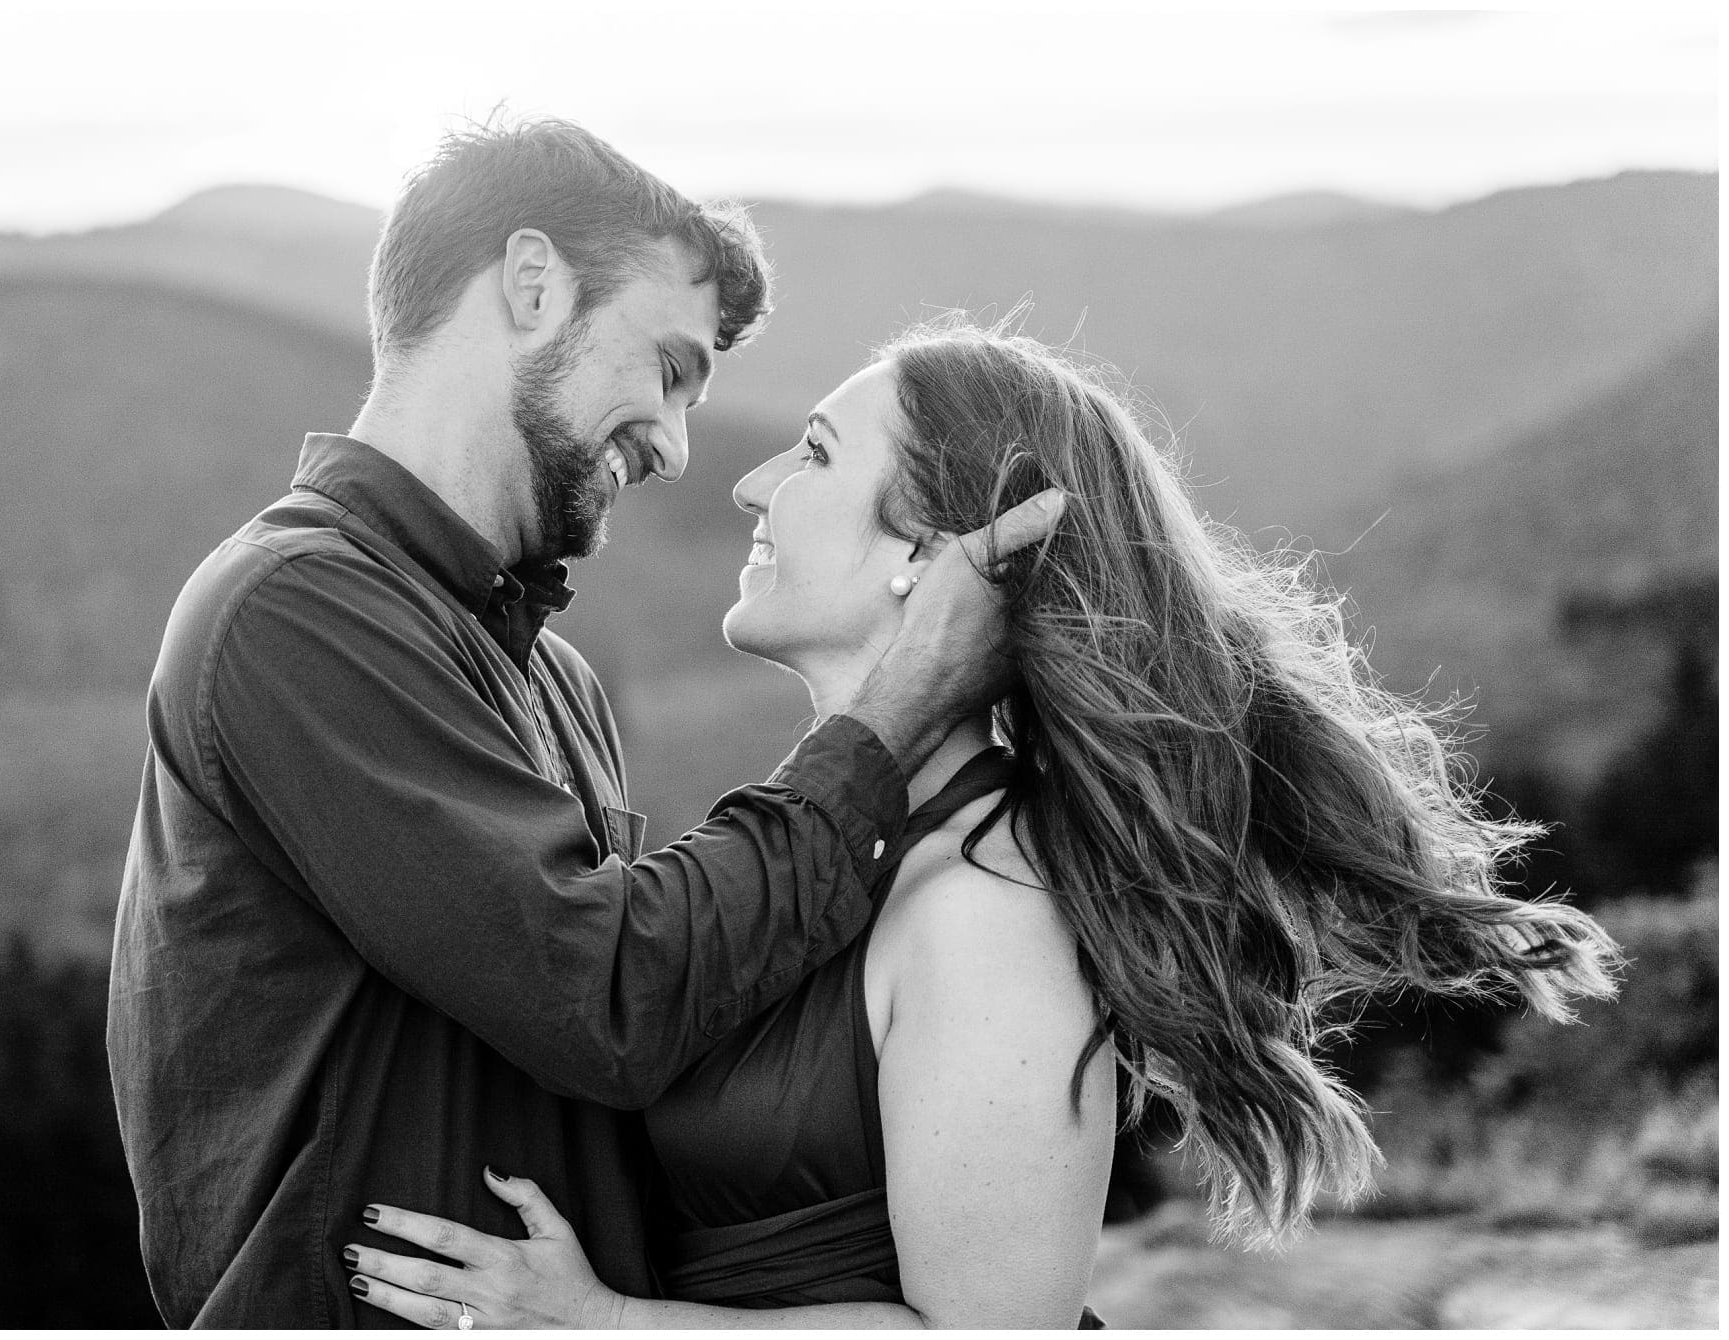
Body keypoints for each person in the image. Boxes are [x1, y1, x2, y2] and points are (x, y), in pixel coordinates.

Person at [339, 320, 1622, 1328]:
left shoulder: (983, 906)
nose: (751, 484)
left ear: (931, 552)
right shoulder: (837, 853)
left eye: (818, 455)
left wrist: (602, 1325)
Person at [106, 121, 1059, 1327]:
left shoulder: (553, 677)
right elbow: (607, 991)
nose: (673, 445)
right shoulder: (293, 609)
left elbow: (641, 1026)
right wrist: (894, 708)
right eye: (665, 368)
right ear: (532, 285)